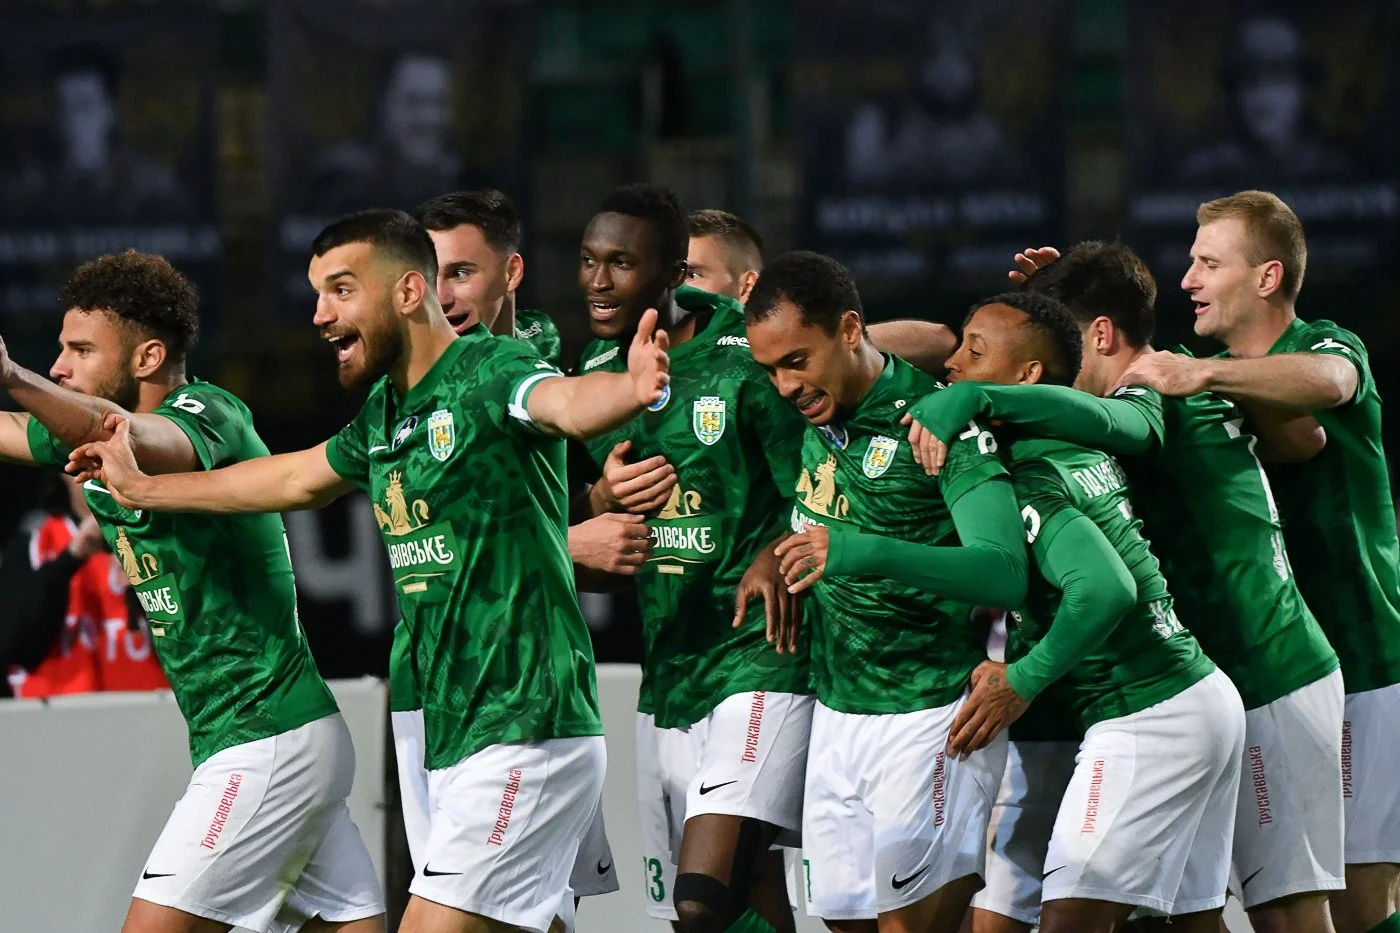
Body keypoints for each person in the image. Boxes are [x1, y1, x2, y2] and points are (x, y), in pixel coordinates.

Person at [71, 209, 671, 933]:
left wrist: (631, 389)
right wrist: (146, 490)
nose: (321, 315)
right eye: (317, 293)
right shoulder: (386, 412)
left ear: (408, 292)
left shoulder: (491, 370)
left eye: (342, 290)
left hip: (526, 728)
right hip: (455, 736)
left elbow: (564, 403)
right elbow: (292, 478)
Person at [907, 240, 1344, 933]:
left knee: (1290, 911)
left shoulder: (1160, 389)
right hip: (1193, 677)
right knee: (1184, 919)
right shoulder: (1096, 415)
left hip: (1258, 668)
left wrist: (987, 388)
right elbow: (1301, 441)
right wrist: (1038, 315)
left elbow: (1307, 424)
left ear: (1101, 336)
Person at [0, 250, 383, 933]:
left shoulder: (210, 412)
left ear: (148, 357)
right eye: (59, 350)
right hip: (270, 737)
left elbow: (130, 435)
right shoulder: (87, 434)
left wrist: (10, 376)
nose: (58, 367)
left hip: (264, 734)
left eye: (80, 351)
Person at [866, 291, 1243, 933]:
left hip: (1146, 711)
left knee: (1068, 921)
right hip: (1192, 696)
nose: (952, 365)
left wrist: (1021, 679)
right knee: (1191, 925)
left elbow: (1106, 590)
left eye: (974, 353)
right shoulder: (1075, 438)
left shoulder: (1028, 473)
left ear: (1028, 376)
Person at [1119, 190, 1400, 933]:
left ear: (1267, 277)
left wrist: (1203, 377)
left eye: (1209, 264)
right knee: (1285, 904)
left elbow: (1329, 388)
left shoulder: (1326, 343)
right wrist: (1063, 311)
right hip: (1270, 665)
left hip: (1368, 658)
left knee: (1358, 904)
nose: (1188, 280)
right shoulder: (1209, 378)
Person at [747, 251, 1027, 933]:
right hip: (838, 712)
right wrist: (771, 553)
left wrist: (855, 552)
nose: (785, 386)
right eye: (771, 369)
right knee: (846, 923)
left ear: (850, 330)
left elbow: (1003, 571)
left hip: (929, 713)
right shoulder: (817, 413)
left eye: (797, 361)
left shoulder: (934, 424)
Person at [575, 186, 812, 933]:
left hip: (759, 655)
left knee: (702, 896)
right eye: (588, 260)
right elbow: (590, 563)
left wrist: (778, 547)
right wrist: (599, 499)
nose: (598, 281)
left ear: (672, 272)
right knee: (741, 896)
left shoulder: (747, 355)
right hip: (670, 673)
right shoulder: (595, 371)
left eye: (621, 263)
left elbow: (822, 478)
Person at [408, 188, 624, 906]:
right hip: (435, 685)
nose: (443, 295)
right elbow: (430, 535)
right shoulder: (406, 375)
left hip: (533, 690)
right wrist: (573, 539)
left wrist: (598, 500)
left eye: (461, 273)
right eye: (431, 275)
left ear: (512, 272)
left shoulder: (537, 358)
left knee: (536, 904)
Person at [3, 472, 167, 698]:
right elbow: (14, 645)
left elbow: (195, 646)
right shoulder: (34, 546)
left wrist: (150, 584)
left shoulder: (164, 542)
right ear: (61, 473)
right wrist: (69, 560)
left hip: (153, 708)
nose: (100, 477)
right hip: (57, 712)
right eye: (85, 466)